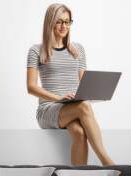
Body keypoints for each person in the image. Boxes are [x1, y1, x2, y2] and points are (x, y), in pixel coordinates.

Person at [26, 3, 115, 166]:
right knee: (84, 107)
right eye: (59, 21)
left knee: (79, 133)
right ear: (50, 23)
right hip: (48, 109)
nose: (63, 26)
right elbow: (31, 87)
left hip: (72, 106)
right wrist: (58, 98)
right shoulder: (36, 50)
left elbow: (83, 82)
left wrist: (97, 91)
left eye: (67, 22)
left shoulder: (78, 49)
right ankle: (108, 163)